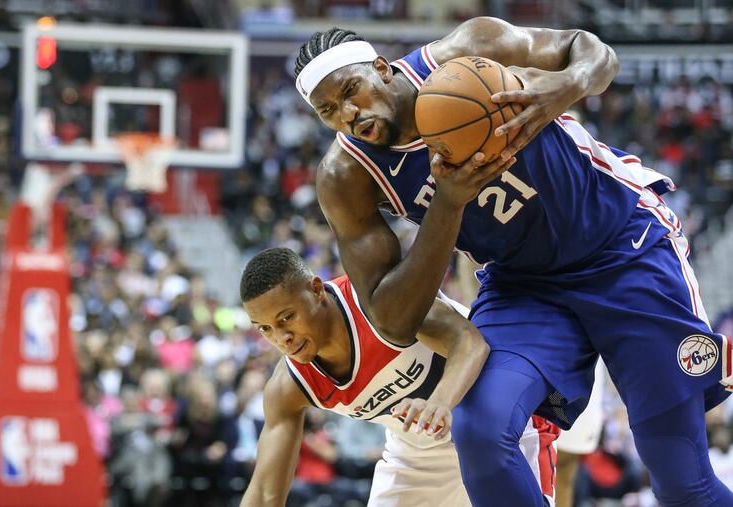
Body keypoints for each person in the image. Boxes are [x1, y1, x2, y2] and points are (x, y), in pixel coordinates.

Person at [293, 17, 733, 507]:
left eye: (352, 91)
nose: (349, 113)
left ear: (382, 68)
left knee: (682, 482)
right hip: (525, 285)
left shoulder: (470, 49)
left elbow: (593, 51)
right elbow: (392, 321)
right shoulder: (346, 175)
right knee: (480, 430)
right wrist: (448, 203)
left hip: (624, 248)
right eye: (329, 110)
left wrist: (564, 86)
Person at [238, 248, 558, 506]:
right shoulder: (290, 385)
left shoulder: (377, 301)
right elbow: (266, 494)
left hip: (497, 421)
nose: (282, 339)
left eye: (286, 318)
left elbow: (470, 342)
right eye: (265, 329)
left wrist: (441, 401)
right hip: (417, 454)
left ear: (317, 290)